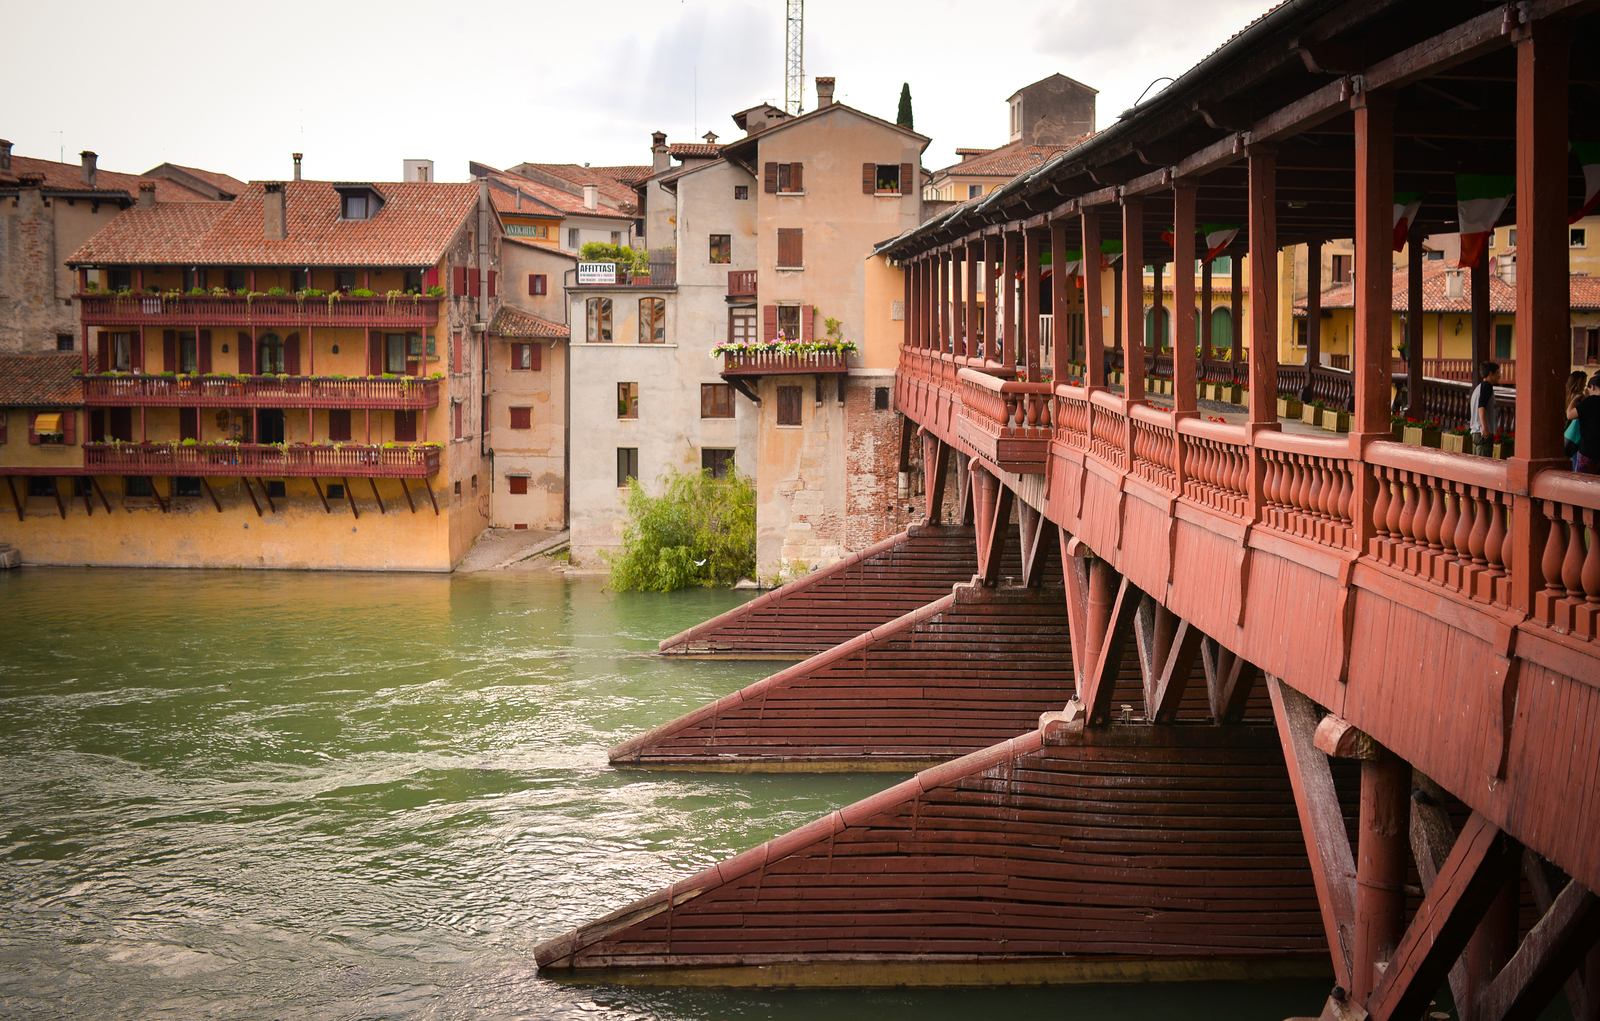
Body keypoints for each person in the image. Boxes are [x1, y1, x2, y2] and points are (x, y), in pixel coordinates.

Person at [1570, 373, 1600, 475]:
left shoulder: (1590, 401)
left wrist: (1574, 399)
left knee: (1581, 481)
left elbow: (1569, 414)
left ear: (1592, 387)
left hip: (1587, 451)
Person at [1469, 361, 1500, 457]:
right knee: (1483, 467)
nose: (1499, 376)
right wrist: (1485, 428)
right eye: (1497, 373)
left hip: (1475, 432)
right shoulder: (1487, 386)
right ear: (1490, 373)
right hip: (1482, 433)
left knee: (1477, 466)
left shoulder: (1478, 388)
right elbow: (1481, 408)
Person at [1565, 370, 1587, 468]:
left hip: (1567, 434)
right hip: (1575, 436)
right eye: (1584, 383)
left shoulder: (1566, 395)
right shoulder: (1579, 398)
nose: (1585, 385)